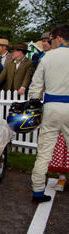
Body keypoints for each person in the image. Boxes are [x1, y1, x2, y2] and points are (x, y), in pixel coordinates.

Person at [28, 24, 69, 203]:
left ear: (59, 38)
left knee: (44, 152)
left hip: (51, 106)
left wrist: (34, 103)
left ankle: (37, 191)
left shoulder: (47, 57)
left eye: (51, 39)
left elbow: (35, 87)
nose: (50, 42)